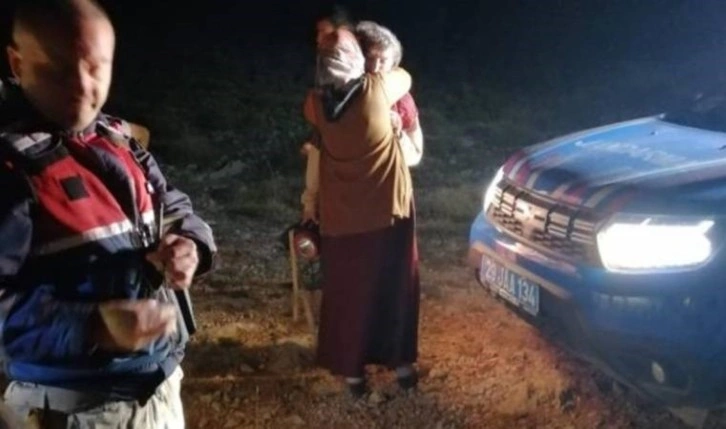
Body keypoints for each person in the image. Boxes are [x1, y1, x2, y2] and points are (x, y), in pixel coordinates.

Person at [0, 0, 216, 427]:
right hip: (71, 411)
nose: (83, 86)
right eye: (59, 69)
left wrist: (189, 245)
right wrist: (93, 327)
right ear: (17, 63)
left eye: (97, 68)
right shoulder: (10, 170)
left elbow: (172, 207)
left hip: (156, 390)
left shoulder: (116, 137)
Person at [302, 28, 421, 397]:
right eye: (368, 57)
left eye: (384, 60)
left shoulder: (315, 103)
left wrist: (309, 202)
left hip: (341, 215)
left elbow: (317, 154)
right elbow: (405, 76)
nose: (377, 65)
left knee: (349, 292)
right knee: (394, 286)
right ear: (358, 62)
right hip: (387, 210)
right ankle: (398, 363)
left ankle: (352, 370)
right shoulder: (380, 90)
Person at [355, 20, 424, 167]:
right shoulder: (342, 91)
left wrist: (397, 134)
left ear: (393, 64)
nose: (374, 68)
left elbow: (415, 156)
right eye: (369, 58)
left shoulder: (402, 100)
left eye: (383, 61)